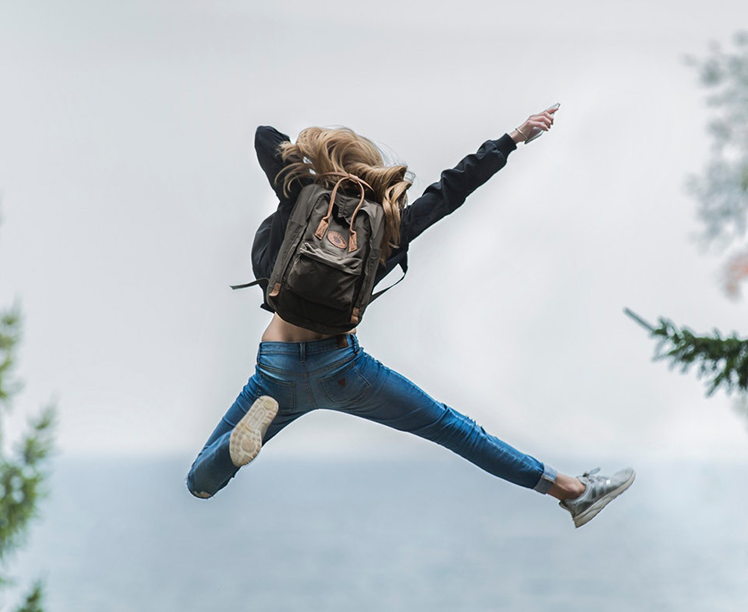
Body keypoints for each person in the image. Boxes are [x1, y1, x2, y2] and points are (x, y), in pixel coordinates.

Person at [185, 106, 634, 528]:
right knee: (454, 429)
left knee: (199, 483)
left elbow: (267, 138)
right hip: (342, 368)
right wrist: (513, 138)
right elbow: (451, 190)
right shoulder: (388, 225)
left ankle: (232, 450)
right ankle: (571, 491)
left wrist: (316, 166)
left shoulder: (300, 197)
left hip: (276, 367)